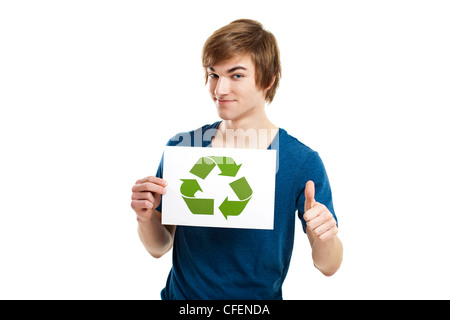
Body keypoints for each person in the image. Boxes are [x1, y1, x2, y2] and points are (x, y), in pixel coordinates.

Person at [131, 19, 343, 300]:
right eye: (214, 75)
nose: (219, 90)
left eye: (236, 75)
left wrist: (325, 235)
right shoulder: (184, 148)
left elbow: (327, 265)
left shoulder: (300, 161)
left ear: (268, 79)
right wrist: (144, 218)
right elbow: (160, 246)